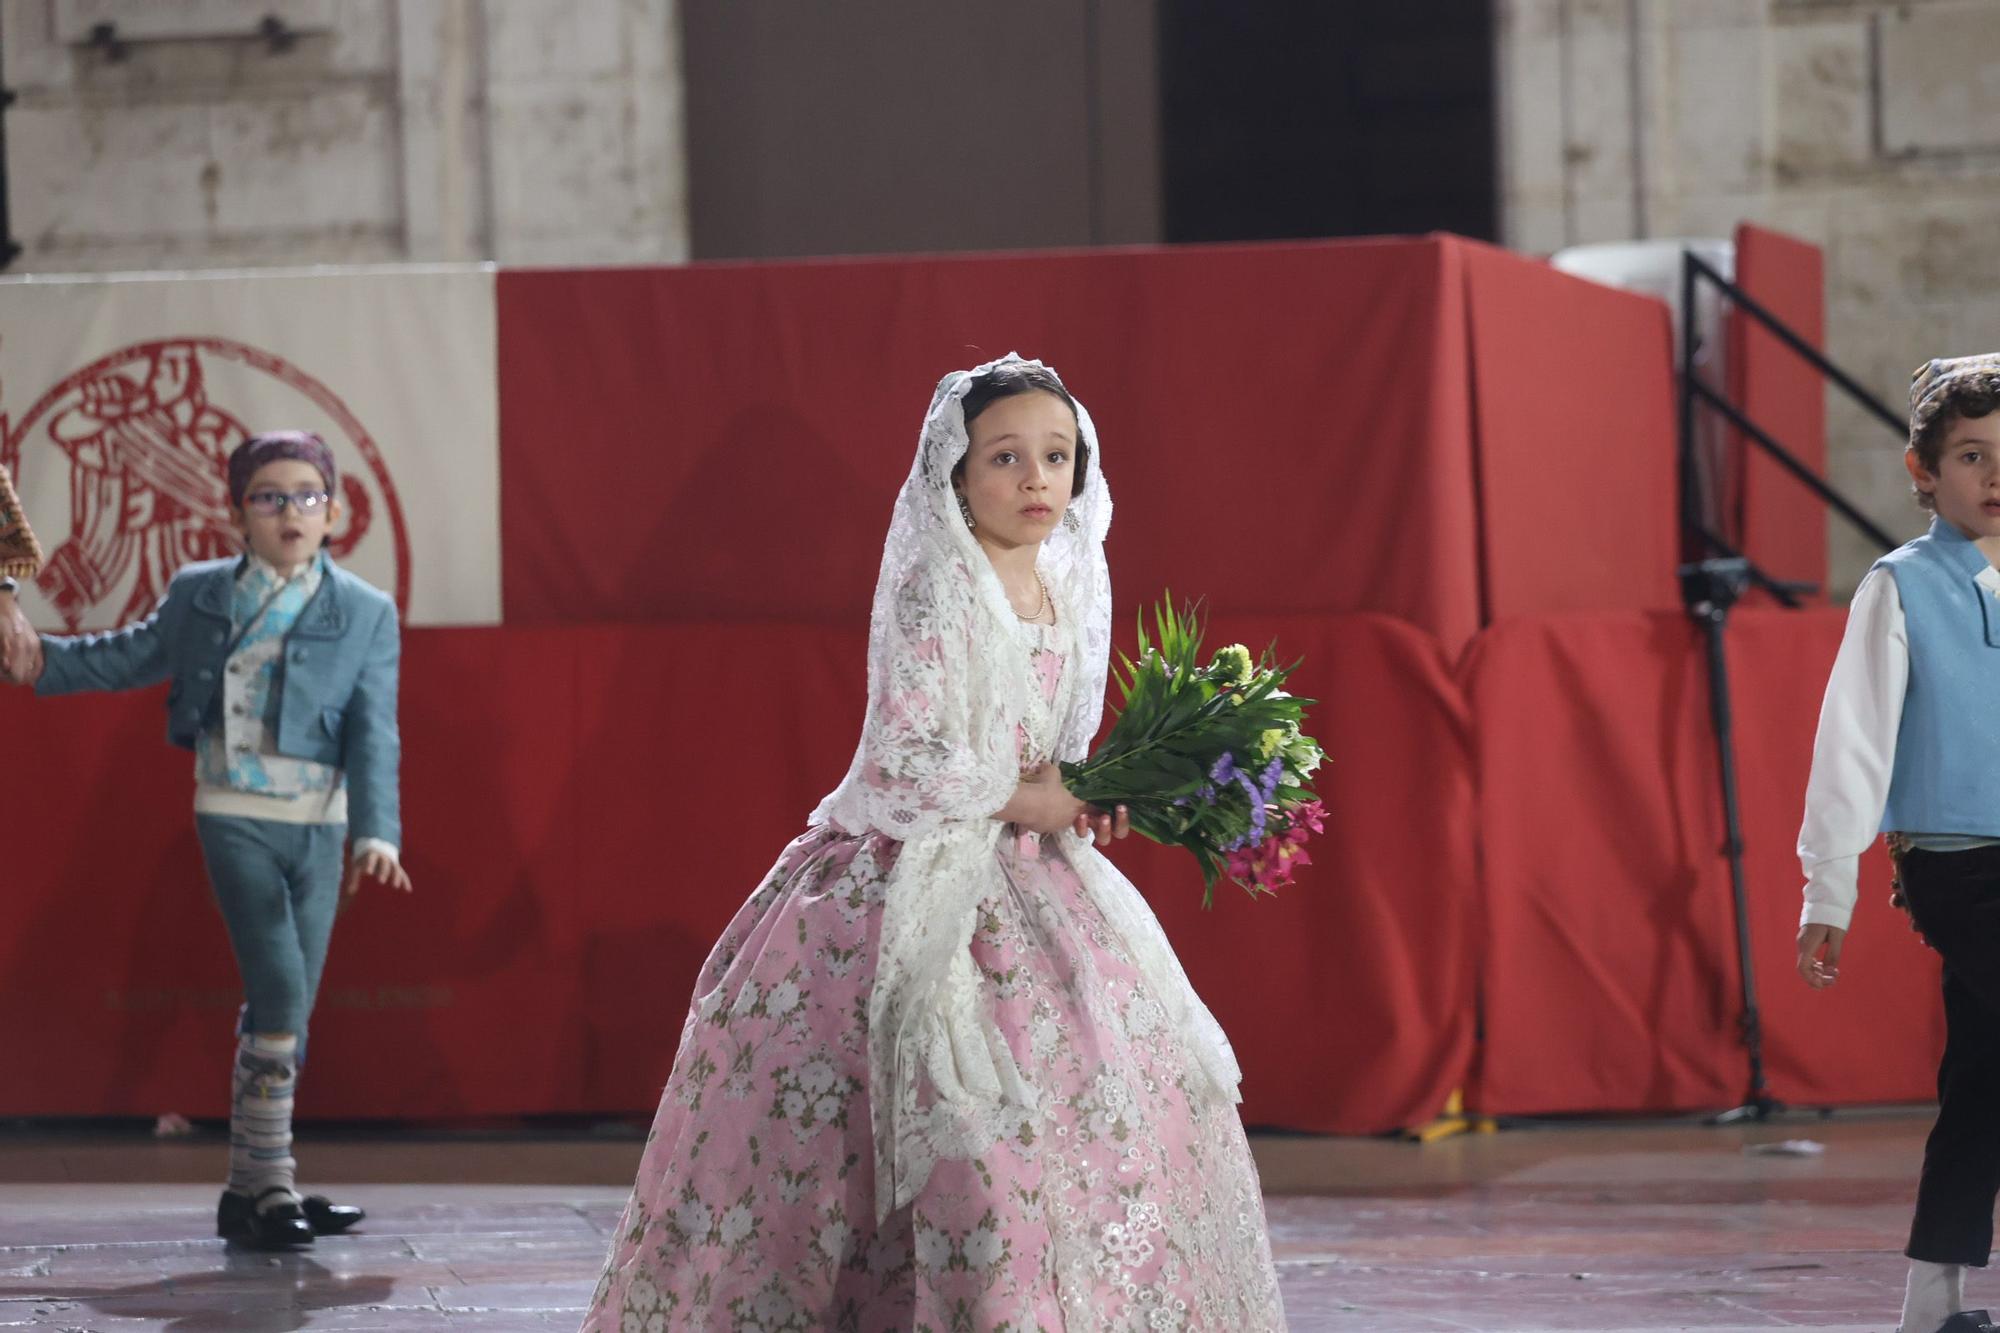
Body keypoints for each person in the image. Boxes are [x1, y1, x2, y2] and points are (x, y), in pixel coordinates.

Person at [582, 356, 1284, 1330]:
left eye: (1057, 455)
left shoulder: (1070, 589)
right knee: (945, 1124)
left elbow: (1058, 752)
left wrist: (1089, 797)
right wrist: (1024, 795)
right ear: (955, 474)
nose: (1036, 477)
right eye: (1005, 457)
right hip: (911, 872)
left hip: (1039, 883)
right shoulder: (933, 587)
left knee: (1112, 1103)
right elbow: (908, 755)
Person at [10, 430, 411, 1250]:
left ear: (333, 512)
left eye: (307, 495)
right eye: (269, 497)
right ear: (236, 515)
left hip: (323, 825)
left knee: (285, 1004)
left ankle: (250, 1189)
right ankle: (275, 1184)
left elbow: (376, 730)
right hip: (234, 811)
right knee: (280, 990)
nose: (290, 511)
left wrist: (379, 832)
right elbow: (124, 657)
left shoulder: (366, 609)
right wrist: (36, 661)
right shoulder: (201, 594)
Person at [1797, 354, 2000, 1333]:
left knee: (1982, 1074)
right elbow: (1851, 742)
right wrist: (1824, 891)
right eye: (1970, 454)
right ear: (1920, 469)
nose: (1994, 476)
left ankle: (1931, 1302)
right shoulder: (1899, 588)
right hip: (1956, 866)